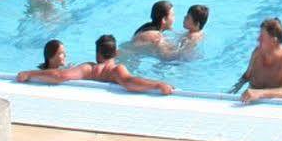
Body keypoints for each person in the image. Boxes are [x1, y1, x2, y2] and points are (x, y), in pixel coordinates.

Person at [19, 35, 173, 95]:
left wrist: (29, 73)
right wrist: (157, 84)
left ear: (98, 54)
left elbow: (60, 76)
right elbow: (128, 82)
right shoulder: (116, 70)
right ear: (116, 54)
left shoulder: (89, 68)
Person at [234, 18, 282, 103]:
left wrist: (259, 93)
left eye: (262, 37)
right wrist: (233, 91)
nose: (258, 39)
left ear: (273, 40)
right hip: (251, 103)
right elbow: (246, 77)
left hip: (277, 106)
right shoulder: (257, 53)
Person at [130, 1, 196, 59]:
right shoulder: (156, 36)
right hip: (129, 60)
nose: (174, 18)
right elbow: (168, 58)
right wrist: (189, 45)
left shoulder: (148, 26)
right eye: (173, 15)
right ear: (164, 19)